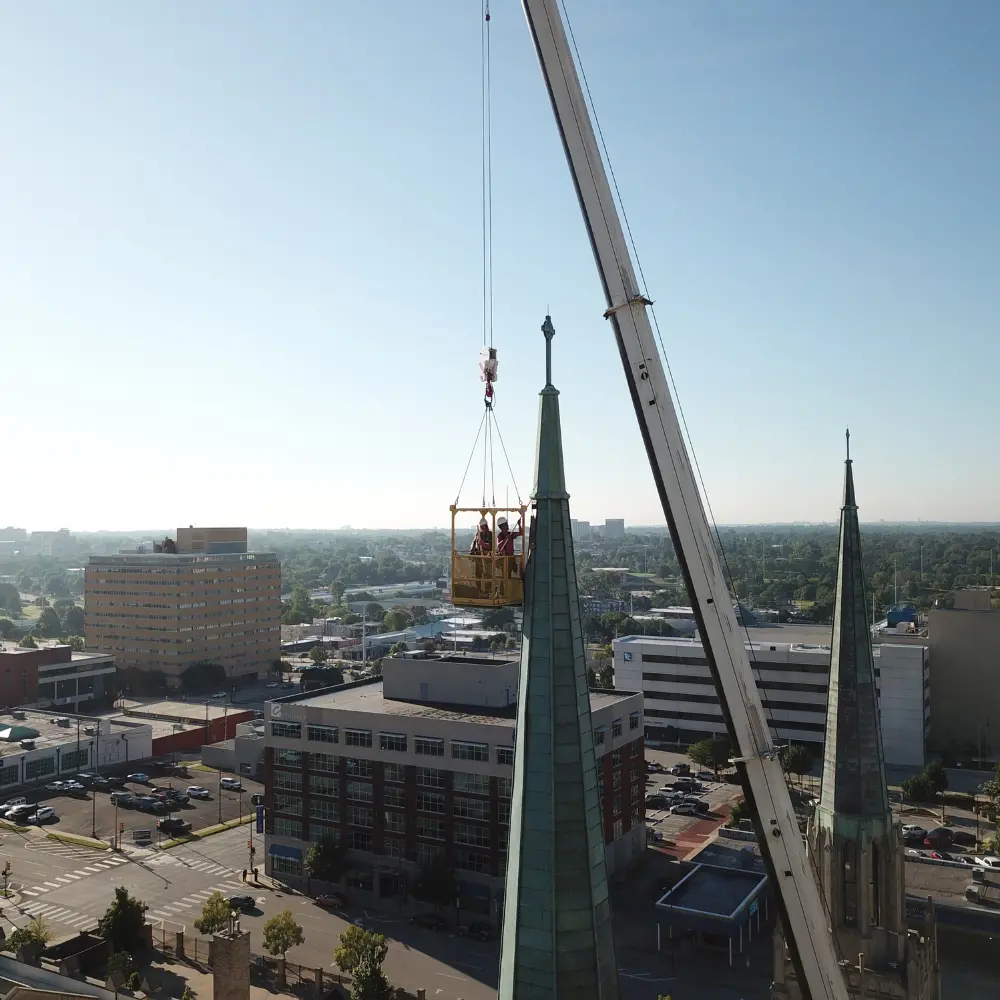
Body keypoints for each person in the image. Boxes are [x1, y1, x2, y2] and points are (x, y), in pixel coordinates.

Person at [470, 517, 493, 597]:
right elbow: (474, 543)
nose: (483, 528)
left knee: (488, 575)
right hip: (479, 558)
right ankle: (478, 590)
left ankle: (487, 591)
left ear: (486, 526)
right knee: (478, 575)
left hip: (487, 558)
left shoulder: (490, 534)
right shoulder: (478, 534)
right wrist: (472, 550)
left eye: (484, 526)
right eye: (481, 527)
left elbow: (491, 546)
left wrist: (483, 544)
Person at [496, 516, 523, 580]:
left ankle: (507, 587)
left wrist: (519, 524)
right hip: (504, 559)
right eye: (506, 524)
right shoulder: (500, 535)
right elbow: (499, 545)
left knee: (509, 576)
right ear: (502, 526)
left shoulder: (510, 534)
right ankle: (504, 588)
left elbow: (520, 533)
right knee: (505, 576)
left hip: (511, 558)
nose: (507, 525)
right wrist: (505, 540)